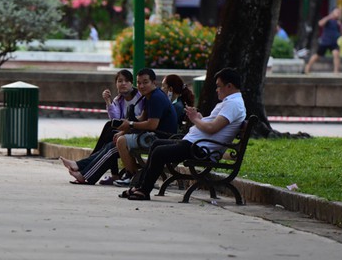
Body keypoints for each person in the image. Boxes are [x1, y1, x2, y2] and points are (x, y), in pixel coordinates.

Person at [124, 67, 247, 201]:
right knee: (157, 144)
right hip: (196, 144)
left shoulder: (233, 104)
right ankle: (141, 187)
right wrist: (200, 118)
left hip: (201, 149)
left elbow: (212, 128)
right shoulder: (230, 103)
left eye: (219, 86)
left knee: (159, 152)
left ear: (229, 86)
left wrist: (195, 119)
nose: (216, 90)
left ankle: (144, 191)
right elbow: (213, 125)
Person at [111, 68, 178, 186]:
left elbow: (152, 124)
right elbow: (142, 118)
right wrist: (124, 130)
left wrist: (130, 125)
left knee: (122, 141)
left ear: (154, 83)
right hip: (154, 135)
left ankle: (131, 175)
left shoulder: (156, 98)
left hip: (162, 138)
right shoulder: (149, 96)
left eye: (145, 82)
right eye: (139, 83)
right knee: (121, 137)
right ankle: (133, 175)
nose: (141, 86)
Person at [93, 69, 143, 155]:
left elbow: (141, 118)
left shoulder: (140, 97)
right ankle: (94, 157)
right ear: (116, 84)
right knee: (110, 127)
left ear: (132, 83)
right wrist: (108, 101)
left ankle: (93, 156)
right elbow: (115, 120)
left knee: (109, 128)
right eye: (120, 81)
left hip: (136, 130)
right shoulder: (118, 99)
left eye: (127, 81)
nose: (123, 83)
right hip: (124, 129)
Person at [305, 7, 341, 74]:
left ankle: (336, 71)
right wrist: (329, 17)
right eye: (337, 12)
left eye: (339, 13)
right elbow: (320, 23)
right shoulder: (328, 20)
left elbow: (340, 32)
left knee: (336, 54)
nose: (338, 14)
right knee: (317, 55)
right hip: (325, 41)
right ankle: (308, 66)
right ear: (332, 12)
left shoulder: (338, 22)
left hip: (334, 42)